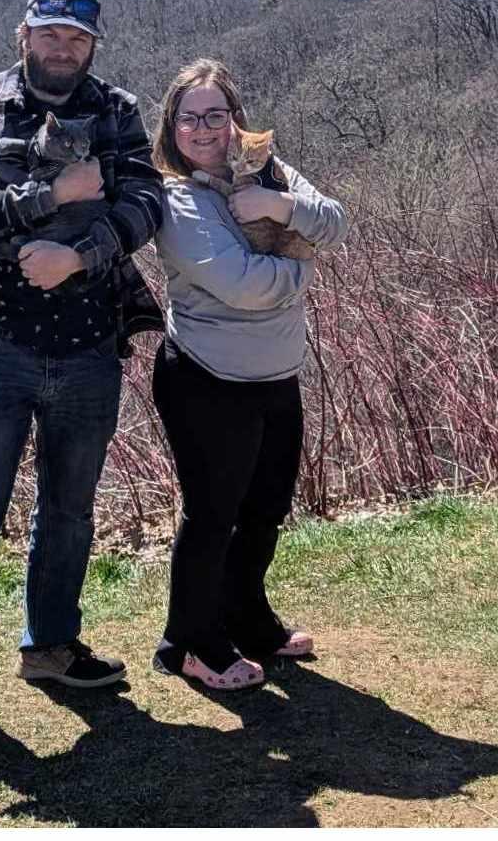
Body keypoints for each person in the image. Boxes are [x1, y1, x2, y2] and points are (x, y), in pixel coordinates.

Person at [0, 0, 165, 749]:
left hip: (89, 341)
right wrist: (50, 191)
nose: (62, 48)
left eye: (76, 38)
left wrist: (77, 253)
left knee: (68, 512)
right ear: (22, 34)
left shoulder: (117, 110)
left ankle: (50, 648)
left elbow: (145, 205)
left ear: (92, 44)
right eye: (49, 33)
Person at [149, 58, 349, 690]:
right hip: (207, 376)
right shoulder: (176, 199)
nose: (204, 130)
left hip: (276, 372)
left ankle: (248, 620)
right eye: (190, 118)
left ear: (235, 119)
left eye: (216, 114)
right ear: (172, 127)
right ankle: (189, 641)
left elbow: (334, 221)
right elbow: (244, 287)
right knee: (213, 515)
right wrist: (303, 270)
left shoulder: (269, 171)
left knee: (265, 509)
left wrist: (276, 203)